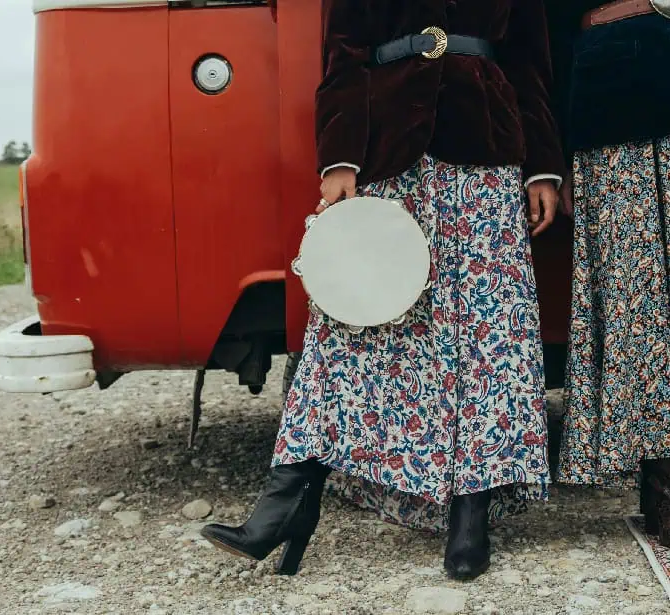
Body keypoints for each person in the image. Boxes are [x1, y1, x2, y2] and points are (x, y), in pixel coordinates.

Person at [201, 0, 565, 580]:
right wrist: (339, 156)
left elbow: (529, 62)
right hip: (387, 146)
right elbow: (342, 53)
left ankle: (471, 509)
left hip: (487, 147)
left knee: (486, 329)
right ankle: (289, 498)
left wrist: (543, 165)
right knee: (353, 322)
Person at [545, 0, 670, 555]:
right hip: (613, 101)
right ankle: (669, 491)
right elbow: (549, 31)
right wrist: (558, 153)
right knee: (636, 299)